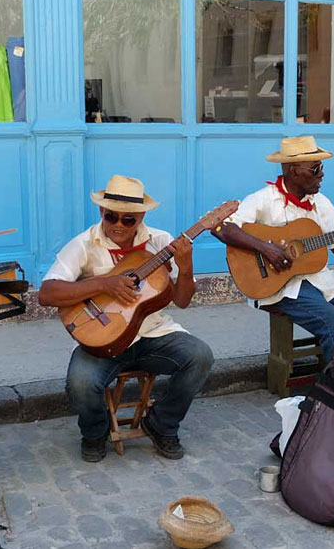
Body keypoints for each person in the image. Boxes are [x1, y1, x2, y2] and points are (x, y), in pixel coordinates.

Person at [38, 175, 214, 463]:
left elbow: (182, 301)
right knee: (80, 382)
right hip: (102, 340)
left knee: (200, 356)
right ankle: (95, 434)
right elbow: (46, 293)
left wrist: (185, 268)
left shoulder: (161, 242)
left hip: (153, 334)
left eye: (128, 220)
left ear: (141, 216)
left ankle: (161, 424)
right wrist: (103, 285)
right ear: (101, 213)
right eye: (112, 217)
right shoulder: (84, 244)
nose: (118, 225)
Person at [213, 136, 334, 363]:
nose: (322, 174)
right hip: (281, 285)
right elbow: (222, 228)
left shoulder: (321, 203)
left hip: (320, 278)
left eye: (321, 168)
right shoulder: (262, 200)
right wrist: (266, 249)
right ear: (294, 170)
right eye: (315, 169)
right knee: (333, 322)